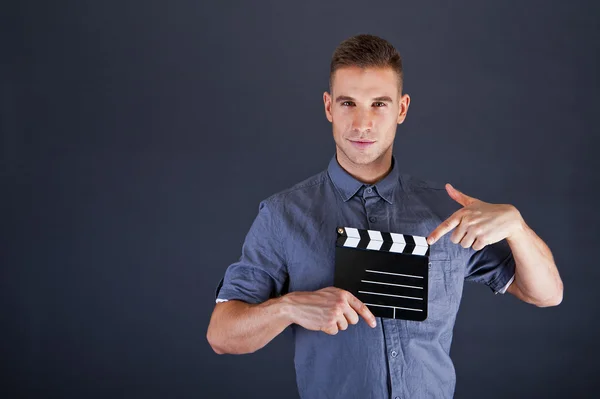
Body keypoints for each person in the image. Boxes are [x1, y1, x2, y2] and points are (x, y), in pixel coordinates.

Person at [206, 34, 563, 399]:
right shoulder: (283, 216)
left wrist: (517, 227)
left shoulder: (448, 211)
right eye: (348, 103)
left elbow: (547, 294)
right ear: (328, 107)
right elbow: (221, 335)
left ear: (402, 109)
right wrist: (289, 307)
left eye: (379, 103)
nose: (363, 123)